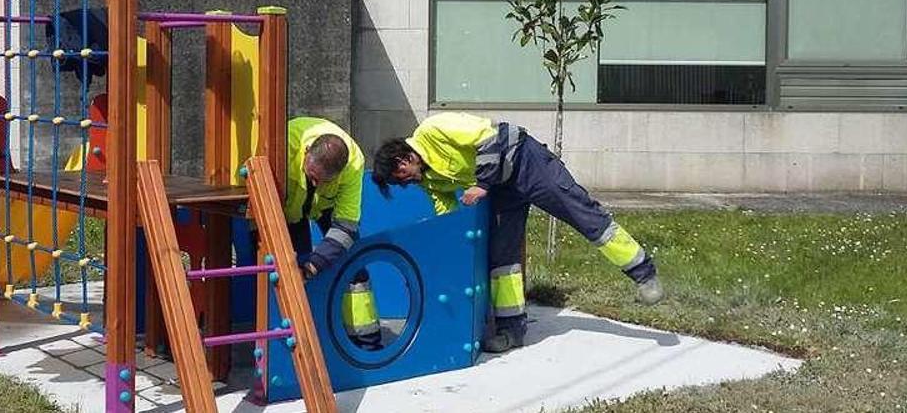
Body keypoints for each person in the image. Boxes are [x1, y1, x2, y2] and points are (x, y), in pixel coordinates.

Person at [371, 112, 663, 353]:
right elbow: (444, 208)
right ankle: (511, 330)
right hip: (502, 188)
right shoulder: (427, 178)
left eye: (402, 178)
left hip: (526, 162)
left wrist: (483, 184)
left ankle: (643, 272)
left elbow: (488, 138)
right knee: (502, 256)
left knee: (582, 214)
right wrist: (454, 243)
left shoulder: (433, 129)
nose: (407, 184)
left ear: (403, 160)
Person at [284, 116, 381, 349]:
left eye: (325, 180)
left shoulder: (353, 164)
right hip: (286, 210)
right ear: (306, 152)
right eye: (313, 177)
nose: (316, 184)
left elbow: (346, 225)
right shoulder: (283, 145)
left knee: (353, 265)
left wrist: (314, 265)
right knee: (292, 267)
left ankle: (367, 340)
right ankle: (301, 339)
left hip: (325, 206)